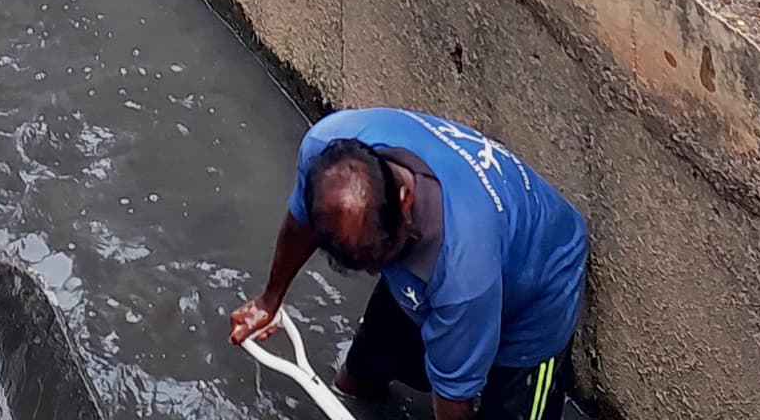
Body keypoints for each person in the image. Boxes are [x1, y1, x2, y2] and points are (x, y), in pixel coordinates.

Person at [232, 108, 587, 420]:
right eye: (362, 262)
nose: (373, 273)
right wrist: (269, 300)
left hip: (537, 289)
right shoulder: (326, 150)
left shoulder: (462, 275)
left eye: (378, 258)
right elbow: (300, 223)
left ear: (405, 201)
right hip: (426, 259)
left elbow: (453, 402)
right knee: (354, 383)